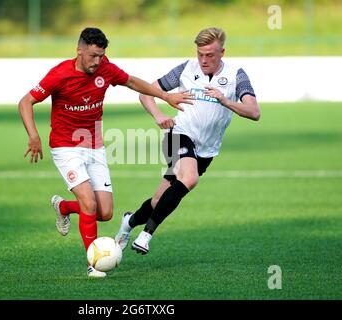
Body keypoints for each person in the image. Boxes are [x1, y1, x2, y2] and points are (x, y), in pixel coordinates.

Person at [18, 27, 193, 277]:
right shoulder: (60, 74)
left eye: (101, 56)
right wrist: (33, 135)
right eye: (92, 56)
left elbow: (132, 81)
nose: (97, 61)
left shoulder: (105, 69)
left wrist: (166, 96)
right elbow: (26, 101)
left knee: (105, 212)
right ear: (79, 50)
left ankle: (65, 208)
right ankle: (93, 264)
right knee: (89, 204)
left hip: (94, 146)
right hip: (65, 146)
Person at [115, 27, 261, 255]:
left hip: (206, 150)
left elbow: (254, 112)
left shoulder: (236, 75)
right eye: (200, 54)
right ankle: (146, 235)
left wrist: (225, 101)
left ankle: (129, 222)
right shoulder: (186, 69)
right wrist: (159, 116)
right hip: (178, 134)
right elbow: (146, 93)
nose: (203, 60)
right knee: (189, 178)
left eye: (210, 55)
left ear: (222, 52)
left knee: (158, 200)